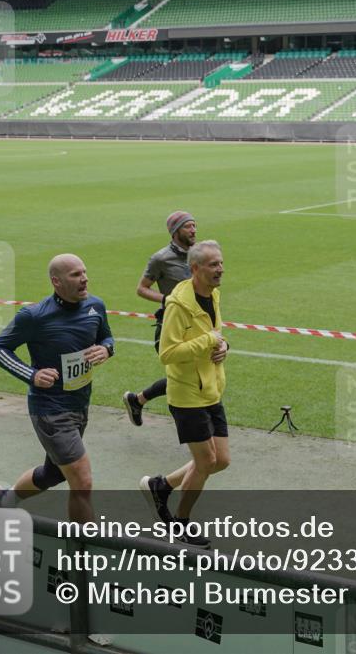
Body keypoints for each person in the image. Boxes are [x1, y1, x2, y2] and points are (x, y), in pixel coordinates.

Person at [0, 254, 115, 523]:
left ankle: (4, 500)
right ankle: (79, 554)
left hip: (80, 404)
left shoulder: (95, 306)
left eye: (85, 272)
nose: (85, 279)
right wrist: (32, 375)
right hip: (49, 410)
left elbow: (106, 336)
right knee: (82, 481)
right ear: (56, 282)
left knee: (54, 473)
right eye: (76, 275)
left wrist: (106, 349)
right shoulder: (34, 316)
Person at [140, 240, 229, 548]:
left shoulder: (213, 294)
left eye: (220, 263)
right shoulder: (178, 306)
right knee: (205, 463)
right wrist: (208, 341)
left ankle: (161, 486)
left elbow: (215, 334)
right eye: (213, 264)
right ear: (195, 269)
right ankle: (179, 524)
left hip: (212, 388)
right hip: (187, 395)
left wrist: (223, 346)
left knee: (222, 461)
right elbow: (167, 353)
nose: (220, 269)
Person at [123, 211, 197, 426]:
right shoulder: (161, 258)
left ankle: (137, 400)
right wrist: (168, 299)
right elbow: (142, 289)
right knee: (185, 376)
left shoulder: (199, 254)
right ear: (175, 231)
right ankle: (191, 425)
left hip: (197, 323)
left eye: (194, 226)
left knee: (189, 375)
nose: (193, 230)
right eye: (188, 226)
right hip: (171, 325)